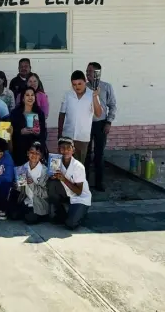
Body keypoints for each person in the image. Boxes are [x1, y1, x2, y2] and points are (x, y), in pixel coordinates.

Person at [85, 62, 118, 192]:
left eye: (90, 71)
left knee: (99, 154)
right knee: (86, 155)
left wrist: (109, 122)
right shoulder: (84, 87)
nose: (87, 74)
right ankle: (85, 182)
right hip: (86, 124)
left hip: (101, 124)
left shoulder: (106, 87)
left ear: (97, 73)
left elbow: (113, 105)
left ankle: (99, 182)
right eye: (87, 71)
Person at [58, 70, 103, 163]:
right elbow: (62, 114)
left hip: (82, 138)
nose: (77, 87)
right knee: (64, 164)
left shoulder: (92, 94)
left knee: (78, 165)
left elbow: (98, 114)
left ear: (85, 81)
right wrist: (59, 133)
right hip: (67, 136)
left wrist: (95, 97)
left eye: (79, 83)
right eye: (74, 84)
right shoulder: (68, 95)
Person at [48, 137, 92, 230]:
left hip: (80, 197)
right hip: (67, 194)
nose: (66, 151)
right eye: (62, 148)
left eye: (69, 148)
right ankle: (61, 211)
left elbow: (79, 192)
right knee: (51, 183)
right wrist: (52, 177)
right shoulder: (55, 162)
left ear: (73, 150)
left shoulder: (78, 166)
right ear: (58, 150)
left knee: (70, 224)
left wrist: (64, 179)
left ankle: (80, 212)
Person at [10, 142, 49, 224]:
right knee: (13, 216)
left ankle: (42, 215)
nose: (34, 155)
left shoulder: (44, 171)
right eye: (32, 152)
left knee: (30, 219)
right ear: (28, 153)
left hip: (39, 202)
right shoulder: (22, 168)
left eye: (37, 153)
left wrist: (31, 184)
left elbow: (45, 194)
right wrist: (17, 186)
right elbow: (21, 189)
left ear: (41, 156)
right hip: (26, 200)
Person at [10, 87, 47, 167]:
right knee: (21, 177)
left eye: (32, 95)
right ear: (23, 98)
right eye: (27, 95)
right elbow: (9, 132)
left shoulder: (39, 113)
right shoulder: (15, 113)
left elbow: (44, 133)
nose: (30, 97)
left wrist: (38, 134)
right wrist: (21, 131)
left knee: (34, 176)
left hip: (35, 151)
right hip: (19, 150)